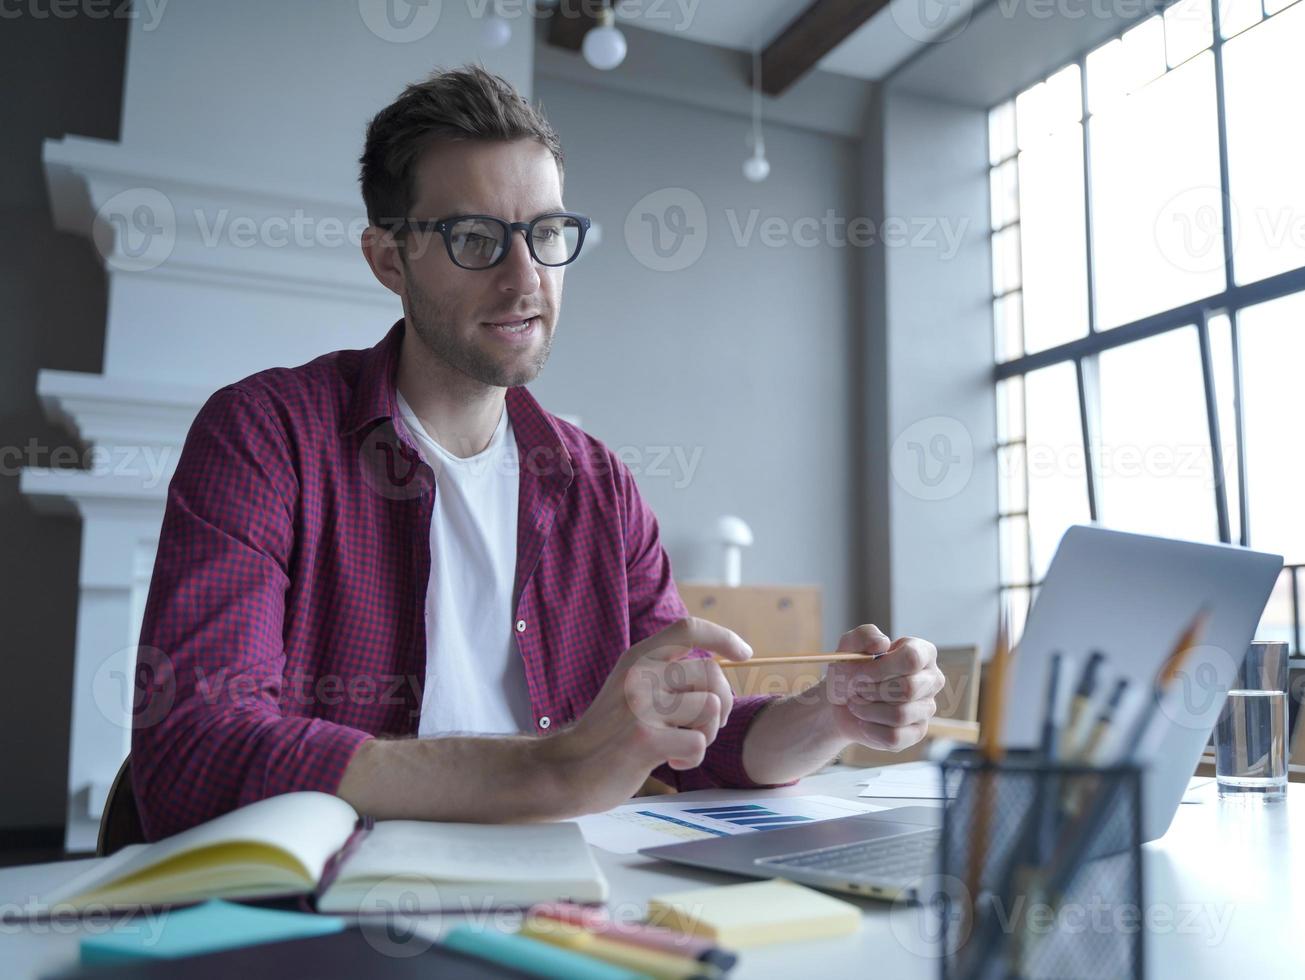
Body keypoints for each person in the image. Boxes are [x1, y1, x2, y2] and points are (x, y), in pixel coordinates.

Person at [130, 65, 945, 841]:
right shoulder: (265, 435)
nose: (526, 280)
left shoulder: (599, 487)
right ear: (390, 259)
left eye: (546, 233)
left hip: (571, 897)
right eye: (475, 239)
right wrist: (553, 773)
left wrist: (832, 714)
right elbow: (193, 748)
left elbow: (690, 733)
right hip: (336, 909)